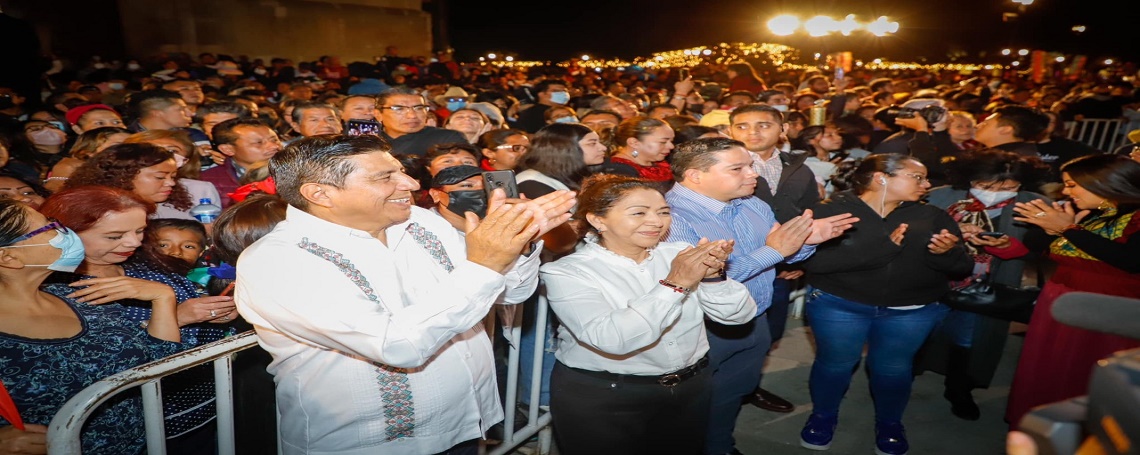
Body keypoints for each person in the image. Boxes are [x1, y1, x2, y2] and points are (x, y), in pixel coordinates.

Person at [234, 135, 575, 454]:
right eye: (386, 177)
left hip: (465, 423)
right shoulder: (279, 260)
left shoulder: (422, 222)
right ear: (320, 194)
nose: (412, 184)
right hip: (368, 444)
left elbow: (509, 292)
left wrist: (518, 243)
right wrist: (486, 263)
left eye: (401, 171)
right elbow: (397, 345)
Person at [664, 137, 855, 455]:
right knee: (685, 403)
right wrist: (774, 250)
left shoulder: (752, 203)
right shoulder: (670, 217)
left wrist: (807, 240)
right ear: (696, 175)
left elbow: (785, 255)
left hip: (755, 317)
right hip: (697, 328)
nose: (754, 174)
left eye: (750, 165)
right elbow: (698, 280)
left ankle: (719, 445)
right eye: (738, 168)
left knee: (731, 394)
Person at [541, 174, 755, 454]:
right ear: (598, 220)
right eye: (639, 213)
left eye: (663, 212)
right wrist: (675, 284)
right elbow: (612, 339)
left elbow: (738, 316)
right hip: (607, 395)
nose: (656, 221)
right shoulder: (568, 271)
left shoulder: (678, 253)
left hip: (691, 386)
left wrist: (714, 277)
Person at [798, 153, 972, 455]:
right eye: (917, 177)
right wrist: (883, 249)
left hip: (911, 309)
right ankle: (823, 416)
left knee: (893, 369)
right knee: (835, 364)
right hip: (839, 304)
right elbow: (814, 264)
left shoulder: (931, 215)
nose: (927, 184)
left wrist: (947, 253)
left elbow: (962, 267)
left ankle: (889, 423)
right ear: (882, 177)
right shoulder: (832, 211)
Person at [41, 186, 236, 454]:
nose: (133, 243)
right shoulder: (59, 290)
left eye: (140, 231)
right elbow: (101, 358)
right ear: (64, 236)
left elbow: (201, 335)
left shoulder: (151, 265)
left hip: (205, 407)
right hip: (138, 427)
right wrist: (176, 316)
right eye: (114, 236)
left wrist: (216, 316)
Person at [0, 200, 181, 454]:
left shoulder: (80, 295)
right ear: (9, 257)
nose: (64, 232)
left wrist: (163, 297)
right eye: (49, 226)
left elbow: (161, 366)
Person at [1005, 154, 1140, 428]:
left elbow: (1131, 261)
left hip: (1106, 311)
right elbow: (1038, 247)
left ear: (1102, 184)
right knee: (1049, 368)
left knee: (1086, 371)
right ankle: (1040, 427)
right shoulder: (1091, 212)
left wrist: (1068, 228)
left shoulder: (1135, 217)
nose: (1066, 191)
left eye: (1072, 185)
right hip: (1059, 301)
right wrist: (1050, 227)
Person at [920, 149, 1051, 421]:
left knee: (969, 341)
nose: (995, 193)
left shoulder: (1035, 205)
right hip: (932, 280)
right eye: (985, 186)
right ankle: (909, 371)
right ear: (969, 178)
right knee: (919, 331)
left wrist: (1008, 246)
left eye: (1009, 188)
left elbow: (1045, 250)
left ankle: (959, 388)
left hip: (987, 287)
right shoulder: (941, 196)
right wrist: (949, 236)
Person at [727, 104, 822, 412]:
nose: (752, 132)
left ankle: (749, 386)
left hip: (782, 267)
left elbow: (809, 215)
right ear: (730, 131)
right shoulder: (721, 165)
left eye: (763, 125)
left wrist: (798, 262)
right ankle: (724, 393)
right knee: (729, 334)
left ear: (782, 131)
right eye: (741, 126)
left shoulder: (799, 169)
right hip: (734, 266)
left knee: (769, 331)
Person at [66, 143, 221, 221]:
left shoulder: (177, 208)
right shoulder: (91, 213)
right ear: (123, 176)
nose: (171, 183)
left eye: (173, 177)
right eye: (160, 177)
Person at [200, 118, 283, 208]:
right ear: (228, 149)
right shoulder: (208, 181)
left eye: (274, 140)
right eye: (258, 143)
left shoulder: (296, 172)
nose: (274, 146)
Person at [375, 87, 468, 156]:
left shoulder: (446, 138)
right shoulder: (370, 141)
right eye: (399, 109)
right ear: (378, 114)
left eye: (419, 108)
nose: (412, 115)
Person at [45, 126, 132, 192]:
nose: (131, 149)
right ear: (89, 151)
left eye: (134, 144)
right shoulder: (70, 167)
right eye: (119, 145)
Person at [605, 116, 675, 182]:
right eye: (663, 142)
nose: (671, 146)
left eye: (671, 141)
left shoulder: (663, 163)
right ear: (634, 143)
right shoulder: (618, 171)